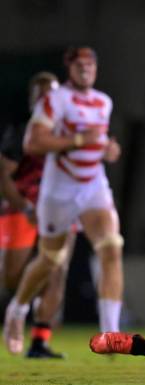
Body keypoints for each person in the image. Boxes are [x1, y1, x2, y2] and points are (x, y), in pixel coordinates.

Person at [3, 46, 123, 355]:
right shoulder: (55, 101)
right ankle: (16, 310)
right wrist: (79, 140)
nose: (86, 69)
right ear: (69, 68)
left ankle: (110, 335)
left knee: (111, 246)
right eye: (79, 64)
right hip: (56, 192)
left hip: (93, 184)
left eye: (91, 64)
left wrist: (107, 150)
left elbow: (96, 143)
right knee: (49, 261)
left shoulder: (104, 101)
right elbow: (33, 142)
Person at [0, 72, 75, 358]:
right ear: (33, 100)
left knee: (57, 273)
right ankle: (19, 305)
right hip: (22, 210)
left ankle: (39, 342)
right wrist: (25, 206)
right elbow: (4, 177)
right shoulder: (21, 132)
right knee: (12, 277)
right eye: (41, 94)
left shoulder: (69, 133)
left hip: (59, 210)